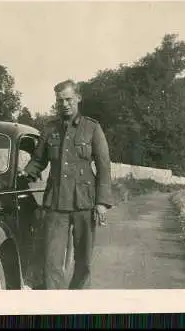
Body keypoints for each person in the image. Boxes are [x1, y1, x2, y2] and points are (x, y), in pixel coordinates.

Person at [21, 79, 114, 290]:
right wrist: (26, 172)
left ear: (78, 98)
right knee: (51, 261)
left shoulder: (92, 128)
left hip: (84, 203)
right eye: (60, 100)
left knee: (83, 261)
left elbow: (104, 166)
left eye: (69, 99)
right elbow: (38, 160)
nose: (64, 104)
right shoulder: (49, 129)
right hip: (55, 204)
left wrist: (102, 203)